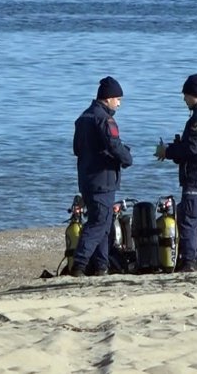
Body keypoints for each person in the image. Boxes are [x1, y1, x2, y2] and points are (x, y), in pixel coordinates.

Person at [155, 73, 197, 272]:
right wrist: (177, 148)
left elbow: (193, 148)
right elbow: (195, 147)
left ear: (195, 94)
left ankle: (190, 262)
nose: (184, 99)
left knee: (188, 221)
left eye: (185, 95)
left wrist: (167, 151)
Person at [71, 76, 133, 277]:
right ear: (108, 98)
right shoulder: (105, 119)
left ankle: (101, 266)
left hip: (87, 179)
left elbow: (77, 148)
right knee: (98, 223)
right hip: (102, 180)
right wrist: (127, 158)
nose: (119, 103)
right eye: (118, 99)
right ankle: (79, 264)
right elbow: (114, 145)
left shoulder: (83, 117)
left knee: (105, 225)